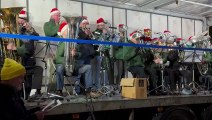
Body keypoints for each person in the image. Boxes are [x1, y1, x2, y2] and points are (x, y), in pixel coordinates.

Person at [55, 21, 98, 97]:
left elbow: (80, 54)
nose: (71, 32)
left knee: (88, 67)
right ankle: (59, 91)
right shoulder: (61, 42)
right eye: (68, 31)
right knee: (59, 68)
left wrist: (76, 54)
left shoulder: (74, 42)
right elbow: (57, 58)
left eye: (71, 31)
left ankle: (88, 91)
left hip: (75, 68)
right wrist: (68, 58)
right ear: (64, 32)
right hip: (65, 68)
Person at [16, 8, 43, 99]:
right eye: (20, 20)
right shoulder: (16, 30)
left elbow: (37, 38)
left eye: (23, 20)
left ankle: (33, 93)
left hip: (28, 60)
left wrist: (30, 30)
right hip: (18, 61)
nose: (22, 22)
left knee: (35, 72)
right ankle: (25, 94)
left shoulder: (28, 29)